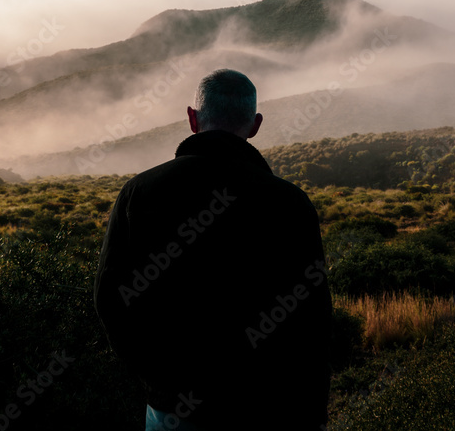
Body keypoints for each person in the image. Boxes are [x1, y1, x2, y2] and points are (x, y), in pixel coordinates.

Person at [95, 68, 332, 430]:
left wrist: (157, 382)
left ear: (192, 118)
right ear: (254, 125)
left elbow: (110, 300)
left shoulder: (140, 192)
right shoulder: (290, 203)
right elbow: (312, 323)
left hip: (171, 409)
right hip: (264, 408)